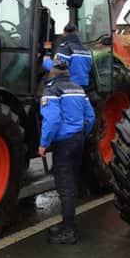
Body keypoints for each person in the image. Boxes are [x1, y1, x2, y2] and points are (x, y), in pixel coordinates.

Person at [39, 58, 95, 244]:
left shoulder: (52, 90)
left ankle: (69, 231)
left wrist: (43, 144)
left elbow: (52, 120)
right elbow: (91, 116)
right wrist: (81, 133)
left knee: (65, 187)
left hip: (63, 143)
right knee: (71, 181)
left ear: (52, 74)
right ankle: (66, 225)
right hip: (78, 140)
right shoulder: (78, 89)